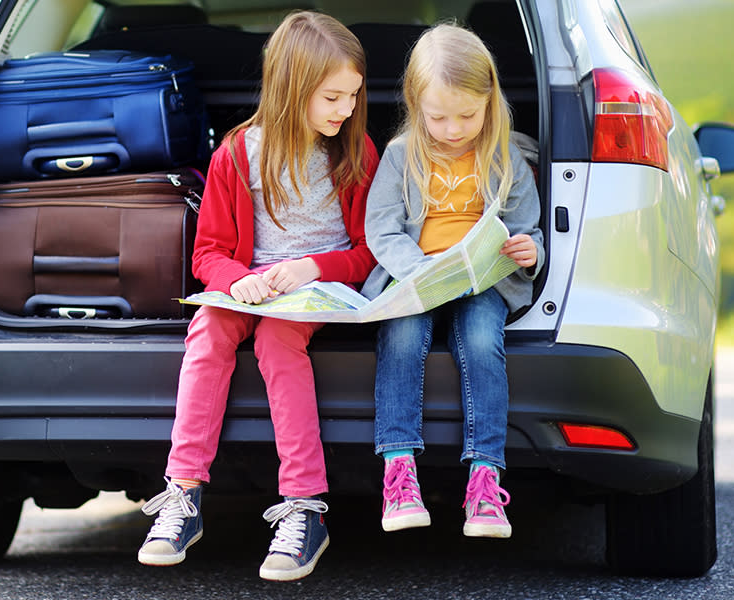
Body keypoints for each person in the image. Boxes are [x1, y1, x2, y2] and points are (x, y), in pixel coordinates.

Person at [137, 10, 379, 582]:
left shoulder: (355, 151)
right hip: (252, 287)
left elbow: (371, 251)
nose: (346, 109)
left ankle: (304, 505)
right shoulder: (237, 153)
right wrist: (234, 279)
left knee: (276, 342)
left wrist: (312, 267)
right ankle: (183, 493)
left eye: (352, 96)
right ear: (292, 89)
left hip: (320, 290)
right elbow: (208, 255)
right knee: (208, 330)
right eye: (333, 98)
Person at [361, 23, 544, 539]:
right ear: (415, 105)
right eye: (437, 117)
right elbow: (382, 227)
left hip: (483, 281)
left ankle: (485, 479)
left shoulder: (505, 155)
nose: (453, 128)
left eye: (468, 115)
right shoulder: (401, 155)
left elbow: (527, 229)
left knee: (484, 342)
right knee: (399, 337)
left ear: (490, 102)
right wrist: (419, 268)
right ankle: (399, 471)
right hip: (418, 277)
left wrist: (529, 252)